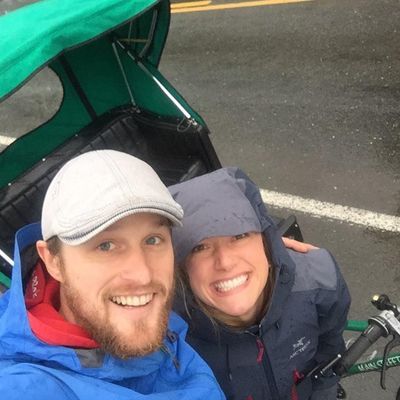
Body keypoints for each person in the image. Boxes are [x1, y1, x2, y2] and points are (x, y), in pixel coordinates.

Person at [0, 150, 225, 400]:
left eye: (153, 239)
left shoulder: (157, 324)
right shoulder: (24, 388)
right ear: (54, 262)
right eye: (105, 245)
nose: (142, 275)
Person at [169, 167, 351, 400]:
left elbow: (330, 347)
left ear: (267, 240)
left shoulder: (318, 278)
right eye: (199, 247)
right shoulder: (165, 336)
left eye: (240, 235)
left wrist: (323, 389)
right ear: (180, 266)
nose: (225, 262)